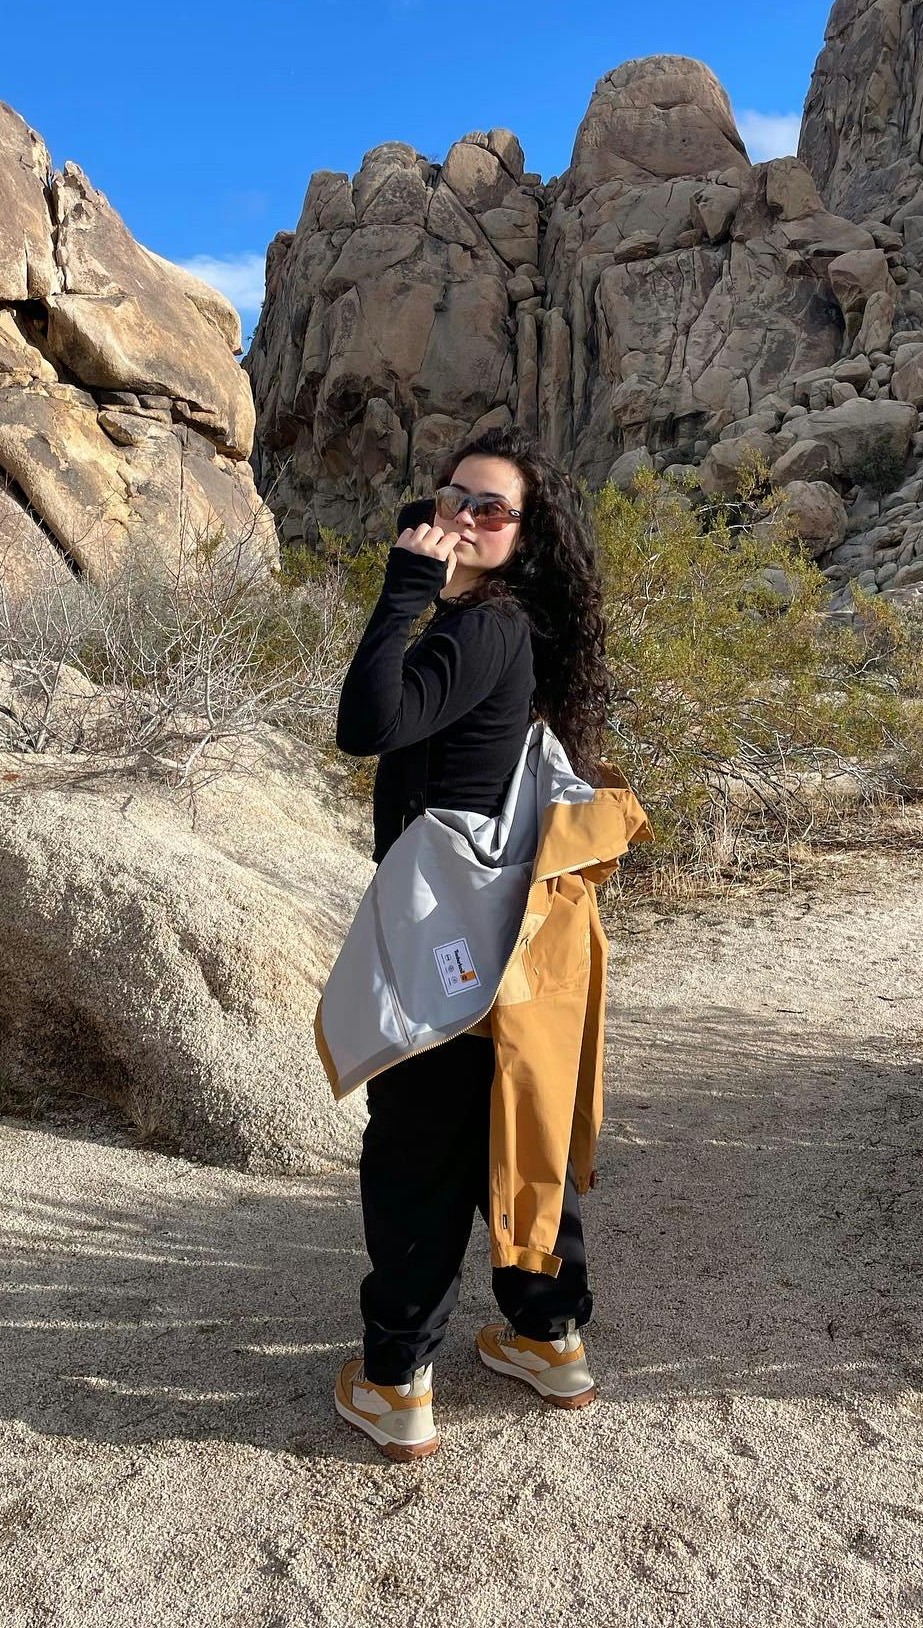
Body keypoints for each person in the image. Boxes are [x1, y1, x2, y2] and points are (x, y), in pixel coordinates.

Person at [329, 422, 624, 1461]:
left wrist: (405, 587)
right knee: (517, 1130)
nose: (460, 516)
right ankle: (549, 1339)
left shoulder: (480, 630)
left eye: (488, 508)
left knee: (419, 1149)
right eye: (450, 498)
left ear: (525, 536)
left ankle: (395, 1378)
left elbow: (367, 721)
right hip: (514, 939)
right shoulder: (524, 634)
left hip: (449, 938)